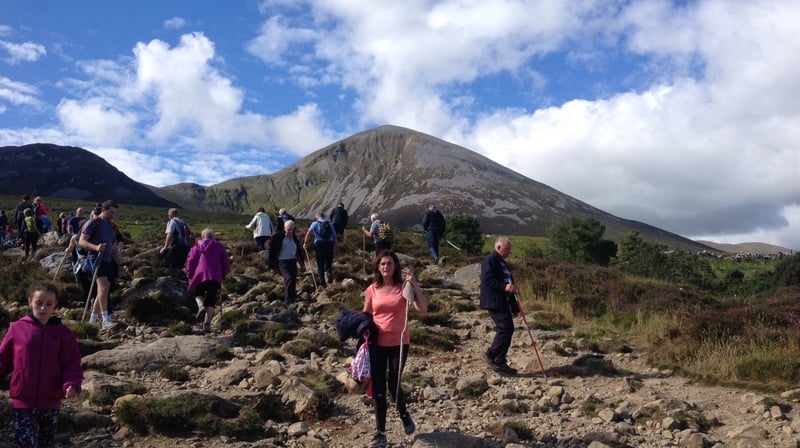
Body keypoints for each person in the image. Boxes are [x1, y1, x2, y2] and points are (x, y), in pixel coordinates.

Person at [0, 281, 83, 448]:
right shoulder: (16, 328)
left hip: (51, 400)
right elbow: (3, 360)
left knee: (46, 444)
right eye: (39, 303)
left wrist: (72, 384)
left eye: (49, 304)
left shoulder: (63, 333)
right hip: (23, 400)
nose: (43, 308)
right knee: (25, 444)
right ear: (30, 301)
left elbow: (71, 363)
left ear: (56, 304)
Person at [363, 251, 427, 448]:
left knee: (394, 384)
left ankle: (403, 413)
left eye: (389, 264)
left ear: (395, 266)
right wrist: (363, 330)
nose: (385, 267)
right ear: (378, 267)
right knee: (379, 389)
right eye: (382, 264)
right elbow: (366, 313)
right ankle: (380, 432)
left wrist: (415, 284)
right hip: (377, 344)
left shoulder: (403, 287)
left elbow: (422, 308)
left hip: (399, 343)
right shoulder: (372, 289)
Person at [479, 236, 519, 375]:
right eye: (507, 249)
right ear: (498, 247)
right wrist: (504, 287)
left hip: (502, 301)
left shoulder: (502, 262)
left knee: (508, 329)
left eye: (510, 250)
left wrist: (514, 308)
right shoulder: (491, 260)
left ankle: (499, 360)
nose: (509, 252)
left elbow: (510, 285)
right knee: (505, 328)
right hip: (494, 300)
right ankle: (491, 355)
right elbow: (488, 279)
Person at [79, 200, 120, 329]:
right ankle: (105, 319)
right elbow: (81, 241)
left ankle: (93, 319)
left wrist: (120, 265)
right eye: (111, 212)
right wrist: (96, 247)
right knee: (103, 288)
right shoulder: (93, 222)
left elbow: (113, 248)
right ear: (104, 210)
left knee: (104, 289)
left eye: (115, 213)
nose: (113, 215)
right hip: (95, 259)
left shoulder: (112, 227)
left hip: (107, 260)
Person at [185, 228, 230, 333]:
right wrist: (223, 274)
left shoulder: (196, 246)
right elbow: (225, 262)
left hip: (199, 275)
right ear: (212, 236)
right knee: (211, 300)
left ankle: (200, 306)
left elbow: (190, 261)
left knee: (199, 294)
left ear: (202, 236)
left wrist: (189, 274)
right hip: (214, 275)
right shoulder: (218, 246)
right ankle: (207, 324)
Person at [268, 220, 304, 303]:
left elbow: (297, 252)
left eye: (292, 229)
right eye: (289, 229)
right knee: (289, 278)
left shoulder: (294, 237)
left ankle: (292, 297)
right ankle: (288, 300)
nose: (290, 231)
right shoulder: (278, 237)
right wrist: (272, 267)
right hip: (282, 262)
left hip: (292, 261)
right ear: (284, 228)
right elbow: (272, 252)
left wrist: (302, 265)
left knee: (293, 280)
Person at [303, 212, 336, 289]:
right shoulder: (330, 224)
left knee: (320, 264)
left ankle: (322, 283)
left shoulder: (314, 224)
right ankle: (329, 272)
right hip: (329, 244)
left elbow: (308, 233)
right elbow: (335, 236)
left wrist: (305, 243)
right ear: (323, 216)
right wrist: (336, 247)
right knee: (329, 261)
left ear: (317, 217)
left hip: (319, 244)